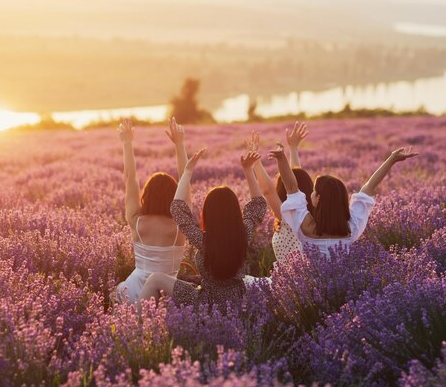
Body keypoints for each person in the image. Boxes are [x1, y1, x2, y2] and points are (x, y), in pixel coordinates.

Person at [138, 149, 267, 311]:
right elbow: (258, 205)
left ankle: (138, 329)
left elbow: (177, 208)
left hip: (206, 303)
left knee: (155, 279)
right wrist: (249, 170)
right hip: (237, 304)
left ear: (208, 214)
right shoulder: (243, 235)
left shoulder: (204, 241)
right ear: (235, 212)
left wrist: (187, 171)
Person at [269, 143, 418, 256]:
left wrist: (281, 159)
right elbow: (369, 187)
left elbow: (291, 187)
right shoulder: (350, 228)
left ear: (319, 198)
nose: (310, 194)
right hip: (342, 288)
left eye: (314, 191)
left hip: (312, 288)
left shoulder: (306, 227)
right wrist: (391, 160)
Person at [111, 117, 190, 303]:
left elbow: (130, 177)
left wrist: (127, 142)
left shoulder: (136, 220)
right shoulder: (180, 224)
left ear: (146, 195)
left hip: (132, 291)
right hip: (166, 295)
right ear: (174, 198)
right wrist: (180, 144)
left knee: (115, 296)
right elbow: (186, 178)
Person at [244, 122, 314, 264]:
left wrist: (256, 162)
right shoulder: (307, 215)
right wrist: (293, 148)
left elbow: (269, 191)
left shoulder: (288, 216)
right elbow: (294, 181)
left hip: (289, 283)